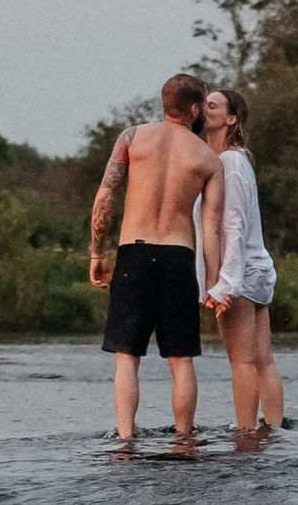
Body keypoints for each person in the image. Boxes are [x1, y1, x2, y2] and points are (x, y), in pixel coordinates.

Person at [90, 74, 215, 445]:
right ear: (194, 108)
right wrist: (214, 280)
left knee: (127, 356)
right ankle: (183, 438)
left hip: (135, 251)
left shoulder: (133, 137)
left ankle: (126, 439)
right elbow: (212, 225)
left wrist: (98, 252)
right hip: (180, 256)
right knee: (181, 359)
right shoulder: (207, 158)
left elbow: (104, 198)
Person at [199, 84, 284, 432]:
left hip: (242, 272)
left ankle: (246, 434)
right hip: (257, 267)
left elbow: (232, 225)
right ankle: (274, 430)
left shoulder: (229, 163)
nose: (205, 109)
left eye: (213, 106)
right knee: (262, 360)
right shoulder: (236, 160)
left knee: (243, 362)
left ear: (230, 119)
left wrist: (225, 283)